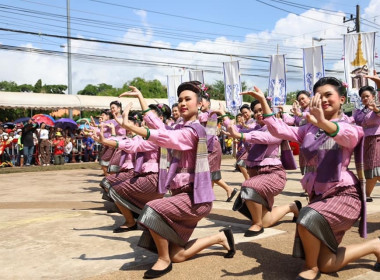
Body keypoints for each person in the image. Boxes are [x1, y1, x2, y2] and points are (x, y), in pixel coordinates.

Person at [243, 77, 380, 280]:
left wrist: (323, 122)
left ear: (342, 99)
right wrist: (264, 102)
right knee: (327, 264)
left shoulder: (350, 125)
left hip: (344, 196)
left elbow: (347, 137)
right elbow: (281, 130)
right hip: (318, 195)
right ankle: (375, 245)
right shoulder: (309, 128)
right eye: (319, 95)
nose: (323, 100)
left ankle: (310, 268)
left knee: (307, 217)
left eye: (328, 95)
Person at [119, 82, 235, 279]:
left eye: (187, 99)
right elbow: (160, 127)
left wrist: (134, 128)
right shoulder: (179, 127)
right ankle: (220, 237)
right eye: (179, 99)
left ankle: (163, 260)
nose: (182, 103)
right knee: (179, 255)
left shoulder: (195, 130)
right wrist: (141, 98)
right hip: (181, 196)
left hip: (194, 198)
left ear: (199, 104)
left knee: (153, 208)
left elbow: (165, 136)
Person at [217, 100, 300, 237]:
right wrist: (224, 115)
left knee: (248, 185)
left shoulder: (277, 128)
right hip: (256, 175)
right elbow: (237, 130)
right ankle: (293, 207)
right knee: (267, 220)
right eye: (255, 111)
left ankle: (257, 224)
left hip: (273, 174)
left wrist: (243, 135)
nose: (258, 113)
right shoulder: (255, 128)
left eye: (261, 110)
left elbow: (266, 138)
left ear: (269, 109)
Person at [198, 89, 238, 202]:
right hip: (207, 145)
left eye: (202, 102)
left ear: (208, 103)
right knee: (211, 171)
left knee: (210, 171)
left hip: (211, 146)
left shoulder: (212, 114)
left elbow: (210, 133)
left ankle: (213, 194)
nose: (200, 104)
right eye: (199, 102)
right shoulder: (202, 115)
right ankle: (225, 190)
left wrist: (203, 148)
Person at [352, 70, 380, 202]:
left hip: (376, 139)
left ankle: (366, 194)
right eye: (362, 97)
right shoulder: (359, 111)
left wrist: (377, 81)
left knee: (374, 167)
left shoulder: (378, 105)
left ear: (373, 96)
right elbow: (351, 121)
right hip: (364, 141)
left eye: (367, 96)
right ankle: (366, 194)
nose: (364, 99)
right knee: (371, 168)